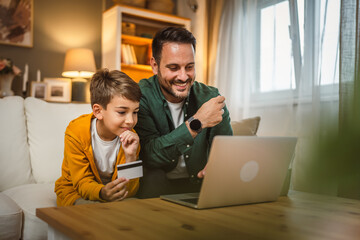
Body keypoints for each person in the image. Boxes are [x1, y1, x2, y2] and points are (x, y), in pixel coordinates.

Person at [134, 27, 233, 198]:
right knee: (153, 178)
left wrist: (220, 164)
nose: (183, 76)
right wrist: (197, 123)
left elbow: (227, 147)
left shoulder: (210, 97)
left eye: (189, 67)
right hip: (157, 185)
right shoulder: (140, 96)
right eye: (173, 68)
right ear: (155, 66)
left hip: (200, 184)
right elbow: (150, 155)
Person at [55, 69, 142, 206]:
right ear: (98, 111)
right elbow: (82, 182)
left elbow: (130, 191)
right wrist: (102, 193)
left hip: (112, 195)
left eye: (135, 112)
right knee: (93, 210)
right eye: (122, 112)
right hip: (75, 192)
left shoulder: (132, 137)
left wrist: (130, 157)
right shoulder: (76, 132)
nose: (131, 121)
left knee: (136, 206)